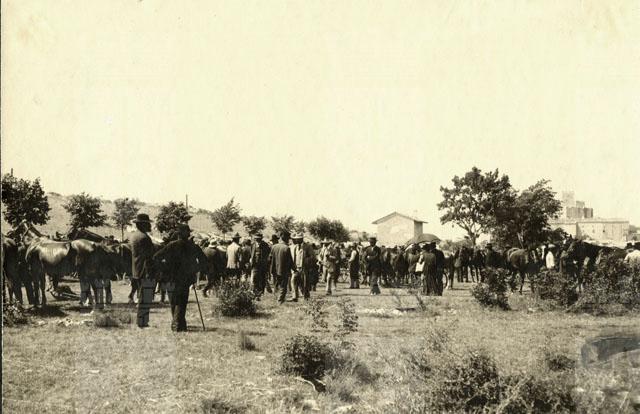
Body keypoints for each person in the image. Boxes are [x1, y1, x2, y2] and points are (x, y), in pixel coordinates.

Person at [152, 223, 206, 332]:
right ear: (187, 234)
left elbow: (156, 257)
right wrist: (195, 269)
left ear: (178, 234)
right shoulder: (193, 246)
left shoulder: (171, 245)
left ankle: (177, 324)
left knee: (174, 302)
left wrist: (164, 267)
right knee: (181, 302)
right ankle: (180, 324)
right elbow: (204, 261)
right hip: (185, 278)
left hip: (171, 277)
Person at [129, 213, 156, 328]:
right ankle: (142, 322)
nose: (149, 226)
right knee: (145, 297)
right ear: (142, 225)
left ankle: (142, 321)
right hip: (145, 270)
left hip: (137, 269)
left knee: (142, 296)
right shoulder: (144, 238)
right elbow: (150, 255)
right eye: (148, 224)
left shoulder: (134, 236)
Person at [290, 233, 315, 301]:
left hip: (304, 268)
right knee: (293, 280)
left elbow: (312, 256)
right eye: (296, 239)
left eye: (298, 239)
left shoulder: (307, 246)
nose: (297, 240)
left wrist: (306, 260)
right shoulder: (294, 247)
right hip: (295, 268)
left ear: (301, 239)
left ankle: (306, 296)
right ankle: (295, 296)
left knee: (304, 283)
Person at [270, 231, 294, 304]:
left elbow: (270, 259)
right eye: (288, 238)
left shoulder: (274, 247)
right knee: (283, 286)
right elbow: (290, 261)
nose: (288, 239)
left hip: (275, 270)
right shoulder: (286, 248)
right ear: (285, 237)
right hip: (283, 270)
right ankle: (280, 300)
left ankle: (276, 297)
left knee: (277, 284)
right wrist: (294, 269)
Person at [249, 233, 271, 298]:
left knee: (262, 279)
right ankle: (256, 293)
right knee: (255, 278)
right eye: (256, 239)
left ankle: (261, 292)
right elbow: (251, 254)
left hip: (263, 265)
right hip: (255, 265)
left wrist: (266, 263)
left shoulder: (265, 245)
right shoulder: (253, 245)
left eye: (259, 239)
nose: (257, 240)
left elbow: (268, 254)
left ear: (261, 239)